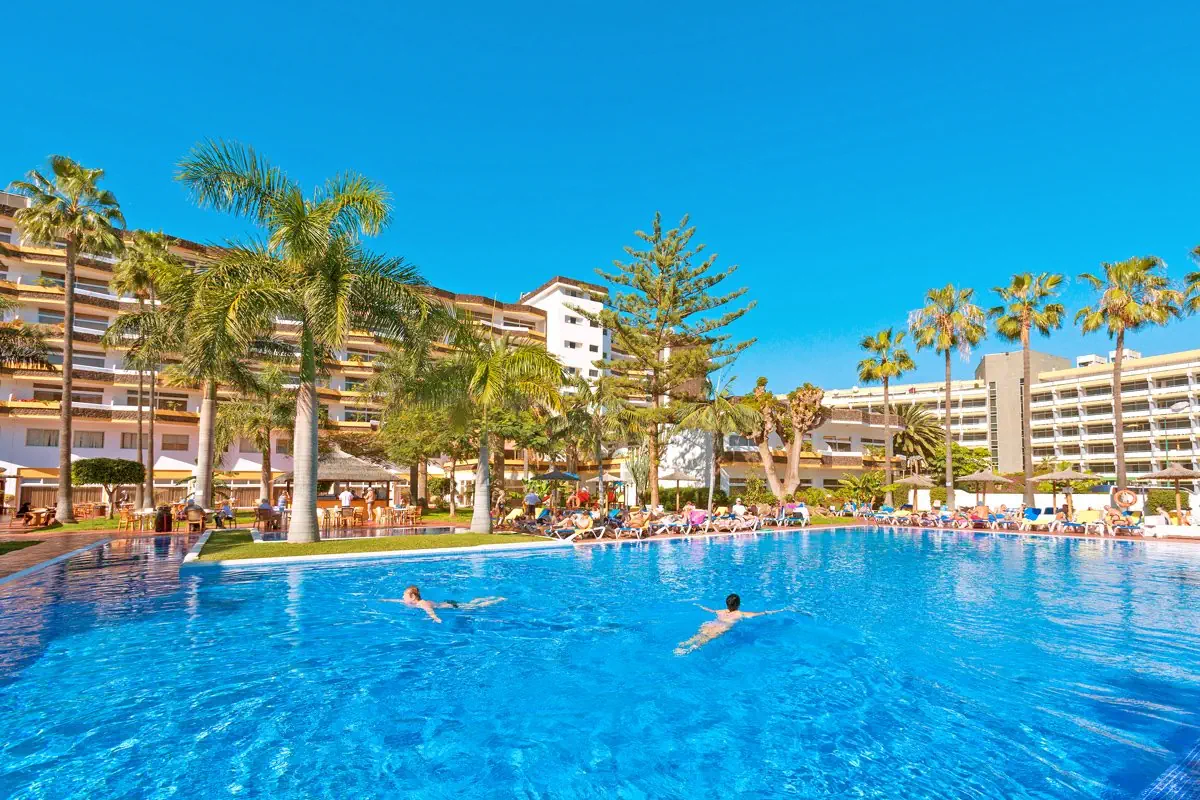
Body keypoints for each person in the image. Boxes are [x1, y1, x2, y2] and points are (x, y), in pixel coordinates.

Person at [675, 593, 785, 655]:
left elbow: (710, 610)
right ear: (738, 605)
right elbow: (758, 614)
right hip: (721, 628)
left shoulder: (720, 611)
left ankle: (684, 644)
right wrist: (775, 611)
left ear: (727, 604)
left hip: (710, 625)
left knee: (697, 636)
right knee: (703, 642)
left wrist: (699, 606)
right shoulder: (740, 614)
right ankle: (686, 651)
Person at [386, 585, 506, 623]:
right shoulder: (415, 603)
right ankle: (481, 599)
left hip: (451, 606)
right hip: (447, 603)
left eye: (404, 595)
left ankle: (496, 600)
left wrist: (436, 618)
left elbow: (430, 611)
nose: (402, 597)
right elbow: (399, 601)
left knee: (475, 607)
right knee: (470, 603)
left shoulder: (422, 603)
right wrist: (387, 600)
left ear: (412, 597)